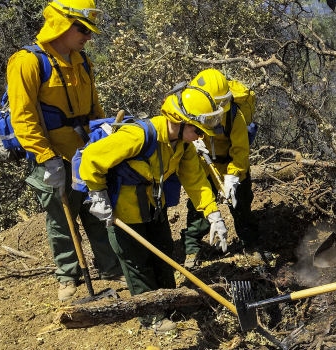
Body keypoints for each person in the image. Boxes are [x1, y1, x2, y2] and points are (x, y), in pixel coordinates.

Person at [78, 83, 227, 332]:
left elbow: (195, 180)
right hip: (123, 212)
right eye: (197, 131)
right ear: (178, 121)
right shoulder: (139, 136)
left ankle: (171, 303)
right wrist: (97, 194)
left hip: (152, 206)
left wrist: (213, 214)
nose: (200, 137)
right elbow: (91, 157)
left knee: (163, 255)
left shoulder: (182, 145)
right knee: (137, 263)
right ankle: (152, 318)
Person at [6, 0, 122, 302]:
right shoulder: (28, 61)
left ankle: (110, 268)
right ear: (61, 24)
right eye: (82, 28)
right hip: (52, 158)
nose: (88, 36)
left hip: (86, 154)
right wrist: (46, 159)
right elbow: (23, 117)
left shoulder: (82, 60)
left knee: (96, 210)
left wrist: (104, 138)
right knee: (61, 218)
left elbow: (94, 108)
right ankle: (68, 277)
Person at [180, 69, 257, 267]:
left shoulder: (233, 115)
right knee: (199, 210)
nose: (221, 107)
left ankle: (251, 245)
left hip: (232, 165)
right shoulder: (193, 109)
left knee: (241, 205)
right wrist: (193, 145)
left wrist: (233, 176)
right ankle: (192, 249)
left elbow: (241, 151)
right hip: (205, 166)